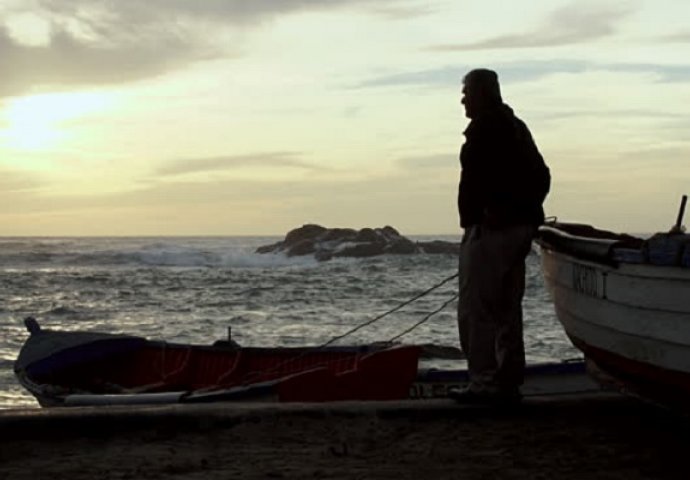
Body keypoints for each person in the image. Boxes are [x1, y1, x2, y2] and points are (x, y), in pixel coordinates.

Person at [451, 68, 550, 405]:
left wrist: (495, 211)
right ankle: (507, 381)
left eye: (466, 92)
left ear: (481, 92)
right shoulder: (515, 127)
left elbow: (489, 179)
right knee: (507, 308)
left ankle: (484, 383)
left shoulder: (486, 129)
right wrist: (525, 212)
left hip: (491, 231)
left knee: (478, 308)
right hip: (518, 230)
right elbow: (542, 176)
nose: (462, 98)